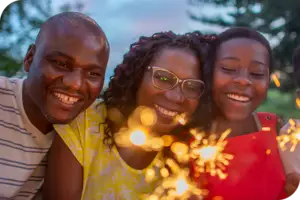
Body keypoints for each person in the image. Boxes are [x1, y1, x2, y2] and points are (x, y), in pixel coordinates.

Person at [43, 31, 214, 200]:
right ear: (138, 77)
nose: (175, 96)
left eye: (191, 87)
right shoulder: (85, 121)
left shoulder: (193, 158)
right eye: (163, 78)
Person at [0, 12, 109, 199]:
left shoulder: (88, 129)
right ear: (29, 58)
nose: (75, 84)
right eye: (61, 64)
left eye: (93, 74)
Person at [192, 27, 289, 200]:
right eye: (228, 69)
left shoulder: (281, 132)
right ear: (208, 72)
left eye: (257, 73)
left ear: (269, 80)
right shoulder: (187, 140)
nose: (244, 80)